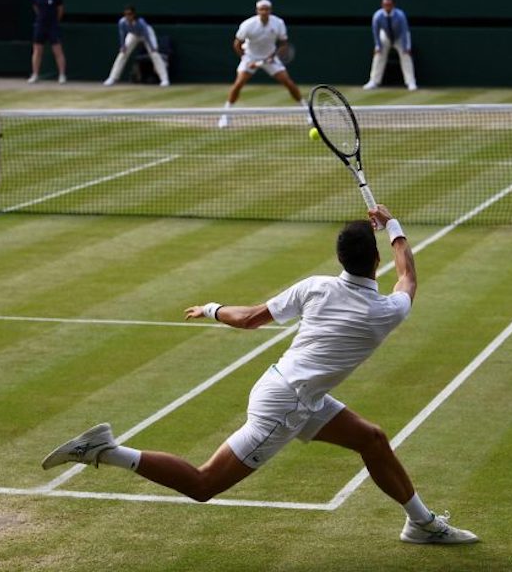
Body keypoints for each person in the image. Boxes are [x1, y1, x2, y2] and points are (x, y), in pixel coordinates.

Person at [42, 203, 480, 546]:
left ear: (340, 258)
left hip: (284, 387)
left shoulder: (315, 287)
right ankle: (105, 450)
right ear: (375, 260)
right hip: (286, 405)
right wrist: (395, 226)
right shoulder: (384, 311)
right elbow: (408, 277)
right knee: (203, 484)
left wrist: (211, 308)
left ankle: (421, 524)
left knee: (371, 439)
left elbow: (250, 318)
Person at [218, 0, 306, 129]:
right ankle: (225, 115)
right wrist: (245, 59)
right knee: (239, 83)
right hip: (250, 57)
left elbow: (283, 44)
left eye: (266, 9)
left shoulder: (278, 23)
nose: (264, 11)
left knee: (287, 82)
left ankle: (306, 111)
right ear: (257, 11)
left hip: (270, 57)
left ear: (270, 10)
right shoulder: (248, 25)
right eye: (261, 9)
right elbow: (237, 44)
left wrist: (273, 56)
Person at [103, 5, 170, 86]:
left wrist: (152, 47)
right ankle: (112, 78)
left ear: (133, 14)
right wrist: (122, 46)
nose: (128, 16)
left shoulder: (141, 23)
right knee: (122, 54)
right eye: (126, 14)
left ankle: (165, 79)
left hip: (146, 35)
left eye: (130, 14)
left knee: (154, 54)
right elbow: (122, 34)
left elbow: (146, 35)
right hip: (133, 35)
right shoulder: (122, 22)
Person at [364, 0, 418, 91]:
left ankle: (411, 82)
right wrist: (378, 46)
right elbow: (376, 32)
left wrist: (406, 47)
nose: (387, 6)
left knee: (406, 56)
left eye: (389, 5)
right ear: (382, 5)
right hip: (385, 36)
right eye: (385, 5)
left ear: (393, 5)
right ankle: (374, 81)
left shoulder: (400, 15)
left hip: (400, 37)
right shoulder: (377, 16)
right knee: (378, 55)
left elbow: (405, 31)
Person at [27, 0, 67, 84]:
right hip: (40, 26)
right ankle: (35, 75)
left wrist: (54, 21)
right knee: (37, 51)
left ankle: (62, 75)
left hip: (53, 26)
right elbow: (36, 9)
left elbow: (60, 10)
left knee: (57, 51)